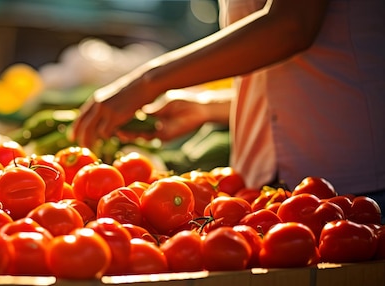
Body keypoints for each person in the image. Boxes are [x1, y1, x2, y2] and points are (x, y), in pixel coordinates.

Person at [71, 0, 385, 221]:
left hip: (357, 189)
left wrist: (148, 81)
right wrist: (208, 108)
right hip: (267, 190)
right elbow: (301, 78)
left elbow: (292, 25)